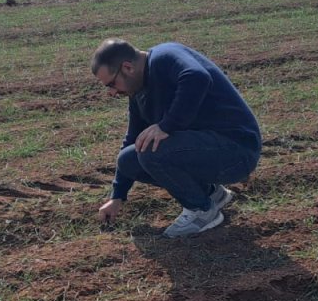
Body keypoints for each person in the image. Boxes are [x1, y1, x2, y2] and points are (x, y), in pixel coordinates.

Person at [92, 39, 262, 238]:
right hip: (209, 149)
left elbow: (197, 77)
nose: (112, 92)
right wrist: (117, 196)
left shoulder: (165, 56)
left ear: (127, 67)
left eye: (112, 84)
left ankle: (201, 211)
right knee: (128, 160)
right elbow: (132, 139)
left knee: (152, 151)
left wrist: (167, 125)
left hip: (238, 150)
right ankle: (212, 194)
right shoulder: (138, 90)